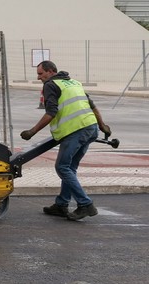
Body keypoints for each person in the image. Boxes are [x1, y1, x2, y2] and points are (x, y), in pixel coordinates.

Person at [20, 60, 110, 221]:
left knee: (62, 167)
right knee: (70, 168)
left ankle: (85, 204)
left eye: (41, 74)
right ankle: (61, 205)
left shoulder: (50, 85)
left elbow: (51, 113)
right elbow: (92, 106)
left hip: (75, 131)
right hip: (90, 128)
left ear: (51, 71)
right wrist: (102, 126)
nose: (39, 77)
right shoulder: (74, 83)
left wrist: (31, 132)